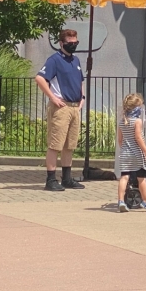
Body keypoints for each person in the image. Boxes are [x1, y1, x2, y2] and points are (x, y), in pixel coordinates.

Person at [34, 29, 86, 191]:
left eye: (75, 43)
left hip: (73, 107)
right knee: (55, 144)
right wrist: (53, 97)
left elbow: (80, 81)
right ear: (62, 43)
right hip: (61, 107)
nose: (73, 45)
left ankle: (67, 178)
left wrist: (82, 97)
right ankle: (50, 179)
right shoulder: (54, 60)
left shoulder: (76, 61)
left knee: (69, 145)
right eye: (70, 43)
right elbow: (40, 78)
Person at [115, 93, 146, 213]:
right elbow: (138, 137)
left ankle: (121, 201)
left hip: (125, 154)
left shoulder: (122, 121)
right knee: (141, 178)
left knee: (124, 177)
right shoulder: (137, 121)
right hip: (137, 154)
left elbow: (120, 139)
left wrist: (124, 149)